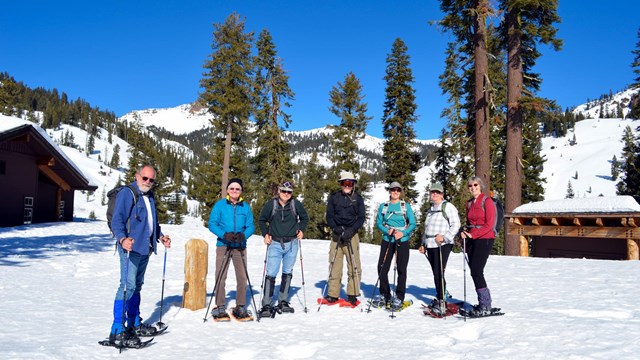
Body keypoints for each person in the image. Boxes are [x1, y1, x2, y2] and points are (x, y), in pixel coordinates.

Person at [108, 164, 171, 347]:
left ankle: (133, 323)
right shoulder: (127, 193)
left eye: (151, 180)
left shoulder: (149, 196)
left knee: (137, 286)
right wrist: (122, 239)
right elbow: (117, 220)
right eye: (145, 178)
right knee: (126, 285)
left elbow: (153, 222)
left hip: (145, 248)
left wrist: (160, 236)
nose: (148, 182)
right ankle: (117, 329)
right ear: (137, 176)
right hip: (130, 249)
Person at [257, 181, 309, 317]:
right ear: (279, 191)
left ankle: (283, 301)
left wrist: (301, 230)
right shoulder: (271, 204)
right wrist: (265, 234)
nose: (286, 194)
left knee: (287, 272)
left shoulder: (295, 204)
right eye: (283, 191)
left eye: (289, 192)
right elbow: (262, 220)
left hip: (292, 243)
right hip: (274, 243)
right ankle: (267, 304)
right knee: (271, 273)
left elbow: (304, 218)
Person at [208, 178, 255, 321]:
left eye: (237, 189)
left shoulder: (245, 207)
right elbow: (212, 224)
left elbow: (251, 226)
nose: (234, 191)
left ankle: (240, 305)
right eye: (232, 188)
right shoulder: (220, 205)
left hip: (239, 247)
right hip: (223, 245)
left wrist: (243, 236)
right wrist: (224, 234)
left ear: (241, 191)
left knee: (242, 277)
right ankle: (220, 305)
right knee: (221, 276)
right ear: (228, 190)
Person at [321, 171, 366, 306]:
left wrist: (352, 230)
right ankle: (333, 294)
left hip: (351, 234)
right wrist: (335, 228)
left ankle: (352, 294)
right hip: (337, 234)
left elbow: (361, 217)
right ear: (341, 184)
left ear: (353, 185)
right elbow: (329, 216)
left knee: (354, 264)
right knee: (334, 264)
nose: (347, 186)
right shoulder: (334, 198)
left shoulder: (358, 199)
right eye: (344, 183)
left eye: (350, 183)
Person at [373, 181, 417, 309]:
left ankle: (399, 296)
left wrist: (403, 233)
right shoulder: (384, 206)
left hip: (402, 241)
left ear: (401, 191)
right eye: (393, 190)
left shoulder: (405, 206)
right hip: (387, 240)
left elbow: (413, 223)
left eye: (398, 190)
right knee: (382, 267)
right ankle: (385, 295)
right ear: (389, 191)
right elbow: (379, 223)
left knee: (401, 269)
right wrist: (388, 231)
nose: (395, 192)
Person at [418, 182, 461, 314]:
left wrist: (445, 237)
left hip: (442, 244)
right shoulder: (431, 210)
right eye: (433, 192)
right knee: (436, 272)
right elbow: (427, 228)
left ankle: (442, 300)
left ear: (442, 194)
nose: (435, 194)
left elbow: (456, 224)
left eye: (437, 192)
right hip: (430, 245)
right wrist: (423, 244)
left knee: (439, 272)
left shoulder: (448, 207)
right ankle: (441, 296)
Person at [460, 176, 497, 316]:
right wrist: (464, 233)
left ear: (480, 186)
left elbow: (490, 224)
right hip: (471, 239)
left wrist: (473, 235)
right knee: (474, 271)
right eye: (470, 186)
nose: (473, 188)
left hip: (485, 238)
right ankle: (484, 304)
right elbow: (469, 222)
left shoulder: (487, 201)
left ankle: (485, 305)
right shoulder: (469, 203)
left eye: (475, 185)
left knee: (476, 271)